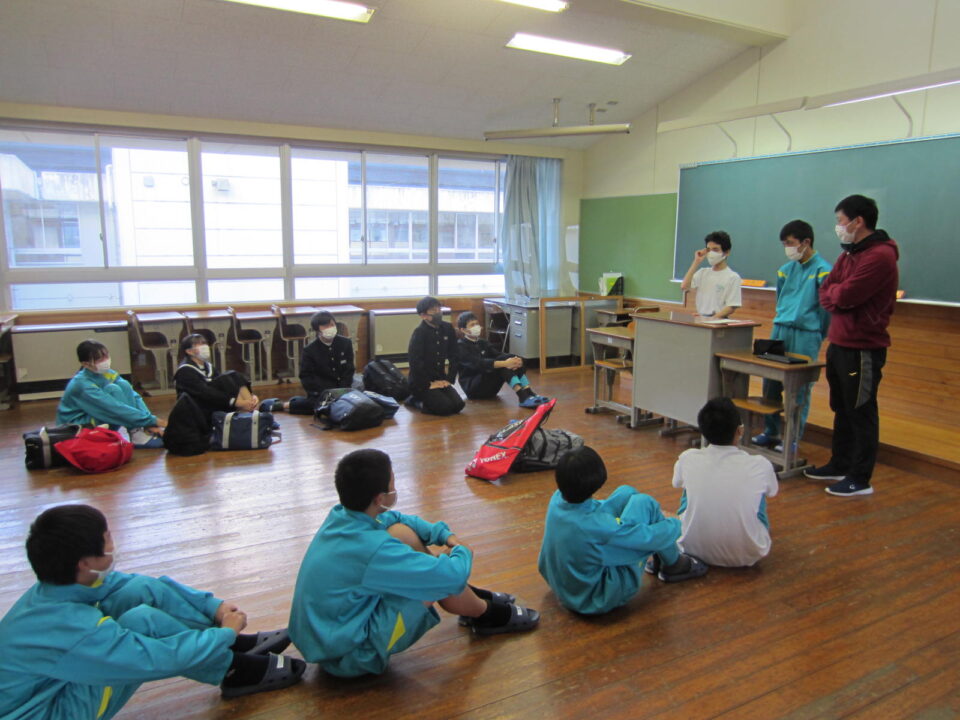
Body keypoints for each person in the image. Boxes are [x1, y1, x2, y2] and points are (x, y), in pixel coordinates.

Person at [0, 505, 304, 720]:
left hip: (52, 683)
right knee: (142, 624)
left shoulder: (56, 587)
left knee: (136, 591)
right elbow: (159, 659)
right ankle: (234, 669)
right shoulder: (71, 629)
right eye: (108, 539)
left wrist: (214, 608)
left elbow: (135, 585)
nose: (113, 544)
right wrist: (222, 634)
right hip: (48, 711)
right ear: (85, 563)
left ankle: (234, 647)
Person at [289, 449, 539, 677]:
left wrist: (443, 535)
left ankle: (469, 599)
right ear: (379, 498)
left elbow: (396, 518)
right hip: (351, 656)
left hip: (326, 637)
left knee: (400, 532)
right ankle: (486, 613)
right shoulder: (373, 548)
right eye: (392, 482)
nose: (395, 487)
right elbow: (450, 576)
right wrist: (463, 550)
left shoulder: (342, 515)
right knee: (435, 581)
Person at [538, 445, 707, 616]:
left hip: (561, 582)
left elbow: (596, 509)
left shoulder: (557, 499)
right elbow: (646, 538)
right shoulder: (598, 528)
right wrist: (677, 523)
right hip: (594, 598)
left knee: (626, 492)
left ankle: (665, 558)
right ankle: (674, 564)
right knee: (646, 504)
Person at [806, 194, 899, 497]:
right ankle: (840, 463)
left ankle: (860, 478)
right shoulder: (849, 254)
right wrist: (837, 295)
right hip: (839, 342)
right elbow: (827, 290)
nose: (838, 226)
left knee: (860, 409)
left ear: (858, 221)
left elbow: (846, 295)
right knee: (842, 407)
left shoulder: (880, 256)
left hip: (862, 346)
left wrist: (838, 296)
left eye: (840, 221)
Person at [751, 220, 833, 452]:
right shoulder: (785, 270)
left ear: (806, 242)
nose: (787, 248)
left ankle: (793, 437)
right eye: (784, 244)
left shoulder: (824, 270)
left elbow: (826, 310)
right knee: (770, 382)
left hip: (806, 334)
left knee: (799, 388)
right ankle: (771, 431)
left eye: (790, 243)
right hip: (780, 329)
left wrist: (818, 333)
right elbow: (781, 299)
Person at [672, 398, 779, 567]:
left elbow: (676, 483)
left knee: (688, 489)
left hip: (690, 548)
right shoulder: (760, 464)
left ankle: (699, 531)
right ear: (740, 431)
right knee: (757, 493)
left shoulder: (688, 458)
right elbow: (772, 491)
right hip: (748, 555)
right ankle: (742, 535)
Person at [57, 340, 166, 449]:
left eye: (106, 356)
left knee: (123, 385)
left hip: (98, 418)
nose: (105, 360)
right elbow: (112, 407)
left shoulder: (107, 373)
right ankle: (135, 432)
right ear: (85, 364)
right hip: (78, 428)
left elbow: (134, 396)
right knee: (113, 390)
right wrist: (154, 421)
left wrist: (149, 423)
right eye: (99, 359)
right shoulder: (81, 384)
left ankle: (137, 430)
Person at [268, 310, 355, 415]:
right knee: (319, 404)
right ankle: (284, 405)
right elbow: (306, 376)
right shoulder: (310, 350)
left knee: (352, 401)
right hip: (321, 390)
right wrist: (321, 392)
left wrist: (342, 390)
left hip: (343, 388)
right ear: (317, 329)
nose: (330, 328)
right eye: (325, 326)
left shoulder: (346, 343)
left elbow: (349, 369)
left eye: (332, 325)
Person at [456, 312, 549, 408]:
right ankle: (523, 396)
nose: (476, 326)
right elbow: (479, 364)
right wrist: (505, 363)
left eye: (477, 324)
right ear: (463, 330)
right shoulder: (460, 346)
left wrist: (516, 360)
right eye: (472, 325)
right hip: (474, 388)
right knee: (503, 364)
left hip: (489, 387)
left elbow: (498, 355)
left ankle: (528, 392)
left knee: (510, 359)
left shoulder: (482, 342)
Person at [173, 334, 259, 421]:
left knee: (233, 375)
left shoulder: (208, 366)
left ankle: (251, 408)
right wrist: (236, 402)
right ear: (189, 351)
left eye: (204, 343)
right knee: (228, 379)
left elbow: (224, 385)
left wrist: (252, 396)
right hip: (197, 410)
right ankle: (250, 415)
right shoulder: (185, 371)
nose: (204, 346)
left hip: (212, 403)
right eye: (199, 344)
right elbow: (204, 393)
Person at [406, 296, 465, 416]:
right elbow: (415, 362)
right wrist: (428, 384)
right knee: (445, 408)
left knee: (458, 405)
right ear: (423, 315)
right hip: (421, 382)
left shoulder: (447, 328)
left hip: (440, 378)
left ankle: (431, 398)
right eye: (433, 310)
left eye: (439, 309)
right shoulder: (419, 333)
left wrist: (449, 379)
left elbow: (454, 355)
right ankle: (415, 400)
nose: (438, 312)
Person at [680, 230, 742, 318]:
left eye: (715, 249)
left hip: (719, 320)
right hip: (701, 318)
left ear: (726, 252)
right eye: (709, 250)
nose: (711, 253)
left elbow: (731, 306)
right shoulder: (702, 272)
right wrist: (696, 262)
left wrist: (712, 319)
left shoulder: (733, 277)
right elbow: (684, 286)